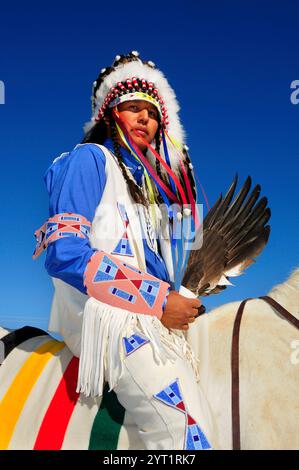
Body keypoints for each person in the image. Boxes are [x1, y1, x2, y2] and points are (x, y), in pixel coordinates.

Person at [33, 51, 216, 450]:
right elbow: (63, 253)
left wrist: (178, 295)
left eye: (151, 112)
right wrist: (158, 299)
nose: (143, 118)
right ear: (110, 115)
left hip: (149, 321)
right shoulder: (88, 160)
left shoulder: (149, 197)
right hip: (108, 322)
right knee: (187, 435)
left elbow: (164, 268)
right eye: (131, 108)